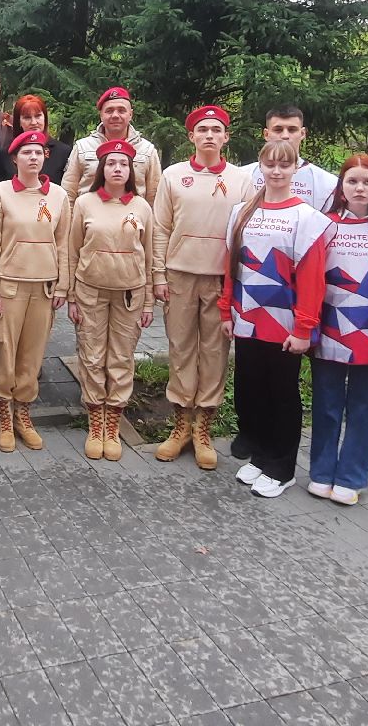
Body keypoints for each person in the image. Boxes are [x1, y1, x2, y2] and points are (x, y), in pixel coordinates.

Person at [220, 139, 331, 498]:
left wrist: (304, 328)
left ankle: (282, 467)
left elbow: (313, 279)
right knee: (252, 390)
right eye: (271, 164)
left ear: (296, 168)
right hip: (247, 318)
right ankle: (262, 454)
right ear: (261, 167)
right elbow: (231, 267)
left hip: (284, 324)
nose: (277, 171)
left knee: (282, 394)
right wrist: (227, 311)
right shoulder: (242, 212)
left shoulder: (307, 218)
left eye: (285, 165)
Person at [149, 106, 252, 470]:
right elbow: (160, 228)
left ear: (226, 137)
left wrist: (239, 284)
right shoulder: (173, 176)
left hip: (221, 279)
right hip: (179, 274)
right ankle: (180, 426)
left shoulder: (242, 179)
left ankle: (203, 429)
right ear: (191, 136)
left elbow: (247, 234)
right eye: (202, 129)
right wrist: (158, 275)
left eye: (216, 129)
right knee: (181, 349)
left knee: (214, 353)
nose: (209, 135)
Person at [306, 155, 368, 506]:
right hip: (329, 327)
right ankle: (322, 470)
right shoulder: (321, 226)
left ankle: (353, 475)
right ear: (340, 188)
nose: (360, 188)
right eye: (353, 181)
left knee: (365, 405)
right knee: (327, 402)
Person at [63, 139, 155, 461]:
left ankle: (113, 422)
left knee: (121, 357)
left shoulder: (141, 207)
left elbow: (149, 256)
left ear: (131, 170)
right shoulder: (86, 204)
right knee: (92, 354)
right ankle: (95, 421)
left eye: (124, 164)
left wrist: (148, 303)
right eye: (112, 163)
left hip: (129, 294)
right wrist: (72, 296)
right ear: (102, 169)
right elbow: (73, 251)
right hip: (90, 291)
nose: (118, 169)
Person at [0, 130, 72, 452]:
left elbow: (63, 243)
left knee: (32, 356)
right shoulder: (0, 193)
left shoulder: (59, 196)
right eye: (26, 152)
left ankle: (24, 413)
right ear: (14, 158)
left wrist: (63, 284)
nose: (33, 157)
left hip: (44, 286)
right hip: (9, 286)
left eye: (38, 152)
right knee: (5, 352)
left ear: (45, 157)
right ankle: (4, 414)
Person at [62, 86, 161, 203]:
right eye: (109, 111)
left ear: (130, 114)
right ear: (101, 115)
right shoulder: (82, 147)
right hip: (90, 218)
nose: (115, 115)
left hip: (132, 218)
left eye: (121, 110)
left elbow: (155, 198)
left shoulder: (147, 150)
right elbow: (68, 193)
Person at [240, 104, 339, 207]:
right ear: (266, 134)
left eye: (292, 130)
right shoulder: (243, 176)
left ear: (302, 134)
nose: (285, 136)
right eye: (278, 130)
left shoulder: (326, 183)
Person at [11, 94, 68, 188]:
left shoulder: (62, 152)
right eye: (27, 117)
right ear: (19, 121)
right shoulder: (6, 152)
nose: (34, 122)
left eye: (38, 116)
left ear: (45, 117)